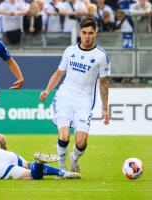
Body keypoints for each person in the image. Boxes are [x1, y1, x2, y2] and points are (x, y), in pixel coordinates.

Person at [39, 16, 111, 172]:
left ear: (95, 34)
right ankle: (62, 168)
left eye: (90, 33)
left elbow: (104, 83)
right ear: (80, 33)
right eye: (84, 33)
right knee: (64, 136)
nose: (86, 36)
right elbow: (59, 73)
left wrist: (105, 108)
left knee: (81, 141)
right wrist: (47, 90)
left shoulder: (101, 56)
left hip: (84, 101)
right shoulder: (70, 50)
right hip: (64, 96)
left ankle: (74, 158)